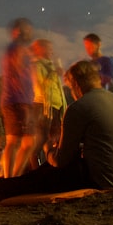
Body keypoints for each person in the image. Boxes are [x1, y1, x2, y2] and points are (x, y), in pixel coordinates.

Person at [0, 60, 113, 206]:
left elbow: (61, 160)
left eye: (70, 87)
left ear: (76, 84)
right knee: (51, 168)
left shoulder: (80, 107)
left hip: (104, 179)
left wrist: (48, 148)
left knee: (47, 172)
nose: (72, 92)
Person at [0, 17, 36, 177]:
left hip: (24, 101)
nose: (29, 31)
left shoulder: (20, 49)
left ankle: (15, 177)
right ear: (16, 31)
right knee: (14, 142)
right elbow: (20, 73)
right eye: (26, 29)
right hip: (15, 101)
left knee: (28, 143)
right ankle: (9, 179)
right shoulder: (15, 48)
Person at [30, 38, 67, 167]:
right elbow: (40, 87)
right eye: (49, 48)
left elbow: (56, 88)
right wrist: (54, 73)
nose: (52, 51)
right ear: (40, 49)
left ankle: (52, 167)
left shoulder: (51, 65)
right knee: (41, 140)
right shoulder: (36, 65)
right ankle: (36, 170)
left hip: (56, 107)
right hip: (43, 107)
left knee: (55, 140)